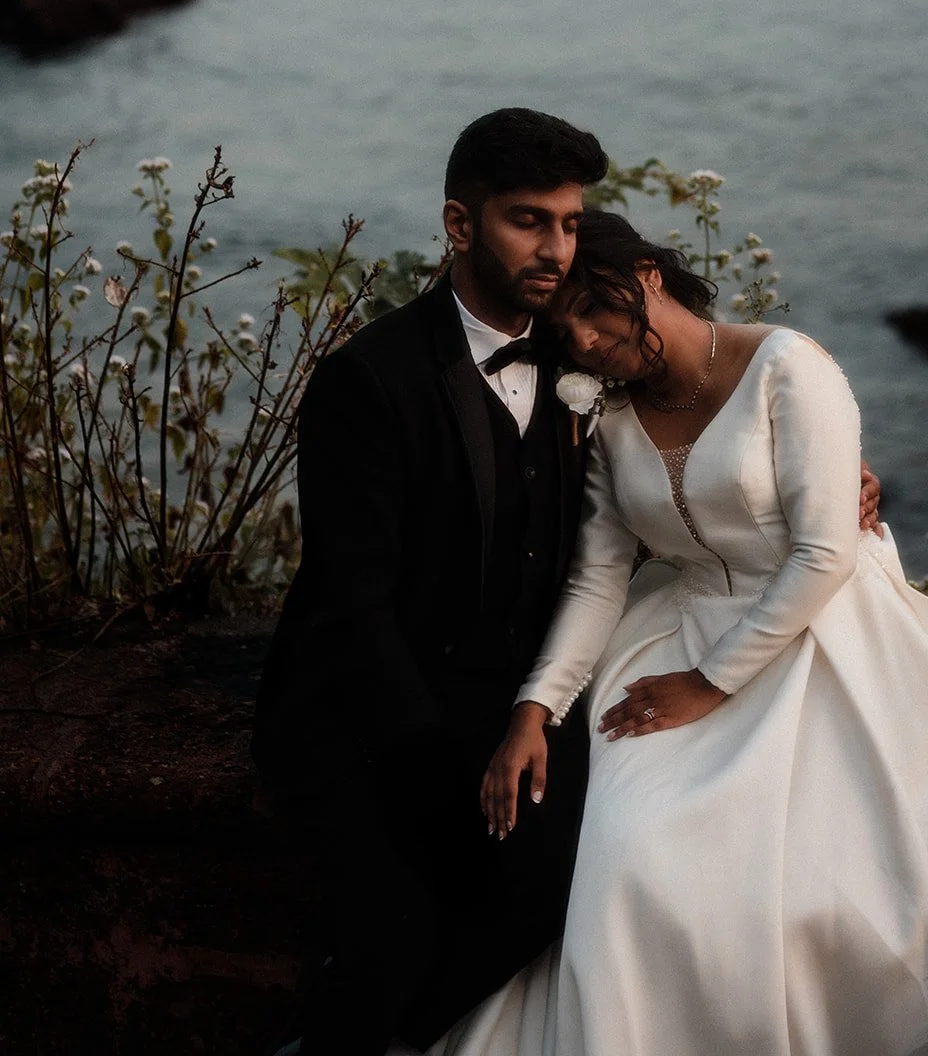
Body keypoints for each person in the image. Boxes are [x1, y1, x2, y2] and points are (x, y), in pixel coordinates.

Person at [252, 110, 881, 1056]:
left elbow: (693, 453)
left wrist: (836, 488)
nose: (554, 248)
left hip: (524, 687)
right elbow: (352, 601)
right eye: (526, 221)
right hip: (379, 713)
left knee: (585, 879)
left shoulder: (587, 356)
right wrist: (443, 761)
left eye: (569, 223)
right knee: (395, 934)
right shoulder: (368, 381)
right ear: (460, 225)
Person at [430, 209, 928, 1056]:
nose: (581, 341)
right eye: (562, 326)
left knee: (837, 875)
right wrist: (533, 710)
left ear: (649, 275)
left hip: (826, 631)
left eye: (595, 307)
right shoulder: (609, 416)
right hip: (669, 629)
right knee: (630, 849)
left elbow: (824, 550)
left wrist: (709, 684)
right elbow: (596, 575)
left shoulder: (787, 367)